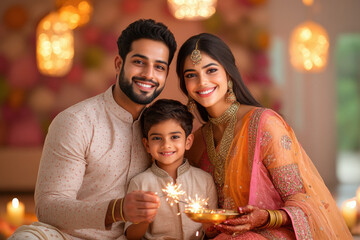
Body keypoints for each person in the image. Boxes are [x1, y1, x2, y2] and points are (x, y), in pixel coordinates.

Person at [9, 19, 177, 240]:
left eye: (159, 67)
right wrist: (117, 209)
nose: (149, 74)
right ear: (119, 64)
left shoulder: (162, 131)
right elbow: (48, 207)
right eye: (139, 62)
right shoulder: (76, 122)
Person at [176, 33, 353, 239]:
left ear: (229, 73)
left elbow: (302, 202)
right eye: (191, 75)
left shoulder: (264, 124)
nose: (202, 82)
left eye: (211, 70)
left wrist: (266, 217)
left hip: (273, 232)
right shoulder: (196, 142)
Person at [124, 99, 218, 240]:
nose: (166, 145)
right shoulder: (140, 184)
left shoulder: (205, 180)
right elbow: (131, 236)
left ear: (188, 141)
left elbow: (213, 233)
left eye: (174, 137)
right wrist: (145, 219)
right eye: (157, 138)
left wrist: (206, 222)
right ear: (147, 145)